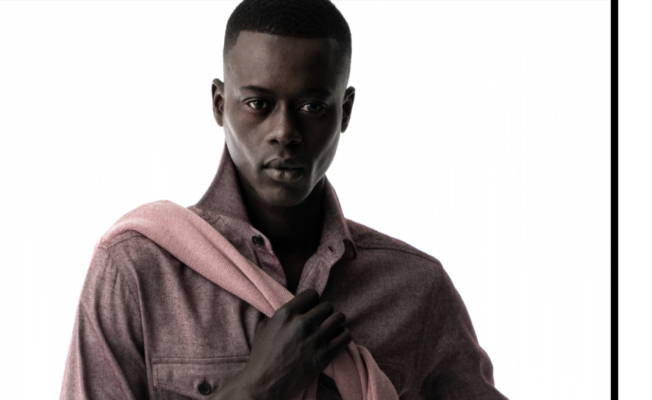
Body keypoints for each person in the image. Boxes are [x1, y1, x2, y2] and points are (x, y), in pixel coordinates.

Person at [60, 0, 508, 399]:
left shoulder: (415, 289)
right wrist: (258, 386)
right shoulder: (137, 270)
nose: (285, 132)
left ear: (345, 111)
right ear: (219, 103)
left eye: (312, 107)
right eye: (258, 104)